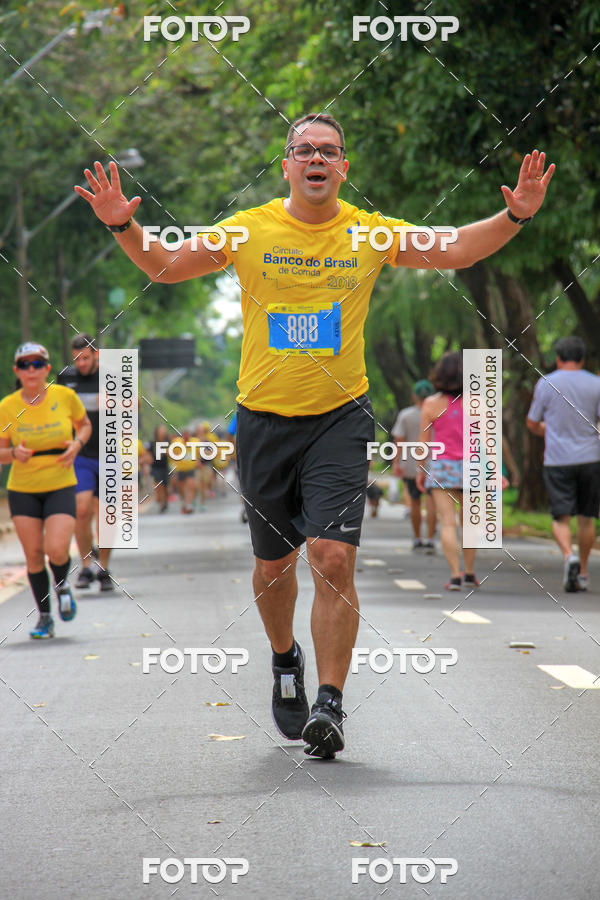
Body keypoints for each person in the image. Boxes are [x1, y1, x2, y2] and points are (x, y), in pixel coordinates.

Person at [76, 113, 554, 757]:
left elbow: (456, 248)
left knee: (331, 557)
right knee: (274, 568)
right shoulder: (247, 229)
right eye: (304, 149)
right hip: (263, 421)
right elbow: (163, 266)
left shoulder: (370, 230)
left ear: (344, 167)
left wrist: (516, 216)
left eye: (329, 150)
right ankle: (283, 659)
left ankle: (329, 702)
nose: (316, 158)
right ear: (286, 165)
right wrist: (121, 224)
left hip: (340, 416)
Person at [0, 343, 91, 638]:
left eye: (37, 363)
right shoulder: (7, 407)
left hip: (60, 483)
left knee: (56, 548)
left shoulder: (65, 397)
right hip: (23, 488)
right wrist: (13, 454)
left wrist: (76, 445)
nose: (31, 370)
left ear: (47, 369)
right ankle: (44, 618)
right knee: (35, 556)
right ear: (17, 370)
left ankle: (62, 586)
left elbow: (85, 425)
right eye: (25, 364)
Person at [527, 336, 600, 592]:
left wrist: (550, 429)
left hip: (558, 460)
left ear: (558, 358)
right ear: (582, 359)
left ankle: (569, 555)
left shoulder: (546, 383)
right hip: (591, 458)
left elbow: (532, 423)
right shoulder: (596, 384)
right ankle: (582, 573)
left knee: (561, 517)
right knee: (587, 518)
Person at [57, 333, 115, 592]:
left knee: (106, 515)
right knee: (81, 511)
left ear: (97, 356)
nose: (81, 363)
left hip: (109, 453)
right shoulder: (65, 378)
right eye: (77, 359)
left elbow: (135, 404)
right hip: (79, 454)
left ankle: (103, 567)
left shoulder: (112, 376)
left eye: (86, 358)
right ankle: (86, 567)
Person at [416, 353, 477, 590]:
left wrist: (421, 470)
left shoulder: (430, 404)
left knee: (448, 522)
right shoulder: (478, 403)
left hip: (442, 469)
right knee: (469, 523)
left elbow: (423, 443)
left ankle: (454, 576)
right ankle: (470, 572)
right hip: (472, 467)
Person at [392, 379, 437, 552]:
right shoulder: (439, 413)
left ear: (414, 396)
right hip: (434, 463)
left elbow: (399, 441)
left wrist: (396, 462)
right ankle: (431, 539)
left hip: (411, 464)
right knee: (432, 502)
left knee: (416, 502)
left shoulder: (405, 415)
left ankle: (418, 538)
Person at [150, 424, 170, 512]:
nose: (163, 432)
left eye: (164, 430)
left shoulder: (168, 442)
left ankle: (164, 501)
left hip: (165, 467)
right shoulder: (152, 443)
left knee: (165, 486)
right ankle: (161, 502)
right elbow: (149, 455)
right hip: (155, 467)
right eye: (161, 430)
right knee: (159, 485)